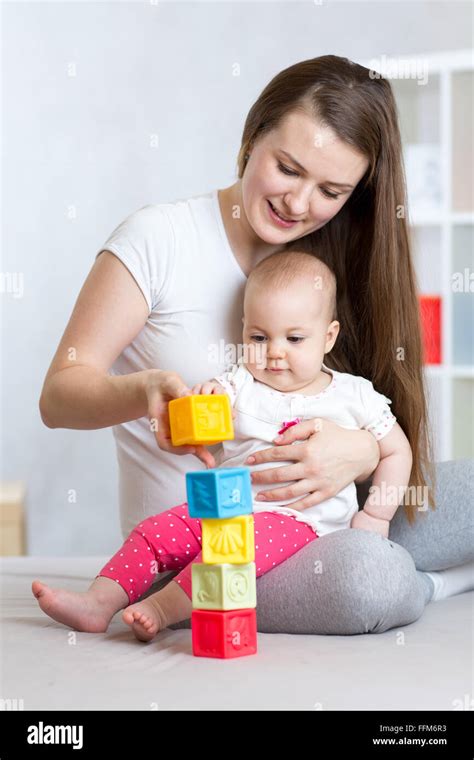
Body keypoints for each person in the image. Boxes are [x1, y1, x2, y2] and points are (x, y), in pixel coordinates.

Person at [38, 55, 473, 636]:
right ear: (250, 137)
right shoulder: (158, 239)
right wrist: (143, 391)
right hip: (206, 542)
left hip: (326, 518)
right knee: (369, 578)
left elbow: (375, 429)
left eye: (331, 190)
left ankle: (412, 565)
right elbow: (58, 397)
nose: (299, 204)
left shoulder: (326, 260)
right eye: (288, 168)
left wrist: (363, 453)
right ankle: (433, 582)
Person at [33, 252, 415, 641]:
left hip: (302, 523)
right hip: (226, 506)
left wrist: (378, 515)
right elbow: (200, 421)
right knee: (155, 531)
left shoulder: (354, 395)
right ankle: (98, 602)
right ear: (244, 331)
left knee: (231, 551)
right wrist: (201, 401)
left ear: (328, 336)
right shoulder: (238, 384)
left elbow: (397, 450)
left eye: (294, 338)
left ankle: (162, 610)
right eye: (259, 338)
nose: (275, 352)